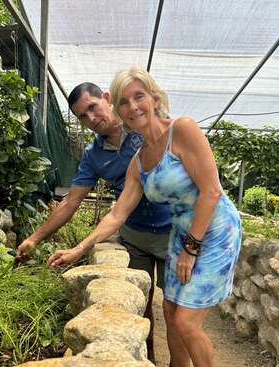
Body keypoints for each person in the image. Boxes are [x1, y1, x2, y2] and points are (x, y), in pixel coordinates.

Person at [50, 67, 242, 367]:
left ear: (154, 97)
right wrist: (79, 248)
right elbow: (117, 215)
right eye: (124, 102)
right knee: (170, 313)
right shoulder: (139, 162)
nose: (132, 107)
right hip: (181, 234)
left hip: (215, 231)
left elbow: (212, 192)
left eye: (138, 96)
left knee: (187, 323)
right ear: (117, 107)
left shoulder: (182, 129)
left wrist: (191, 249)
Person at [16, 82, 171, 363]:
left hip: (172, 232)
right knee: (140, 305)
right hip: (134, 235)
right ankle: (148, 358)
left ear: (108, 99)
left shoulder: (141, 127)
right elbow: (70, 202)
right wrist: (34, 238)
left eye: (92, 107)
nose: (90, 119)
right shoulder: (93, 155)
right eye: (81, 116)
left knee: (175, 311)